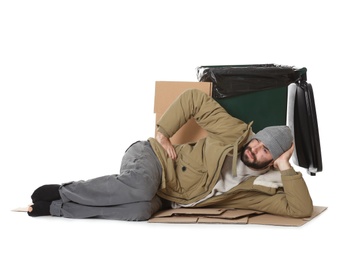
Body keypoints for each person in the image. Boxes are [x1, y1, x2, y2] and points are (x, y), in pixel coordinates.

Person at [27, 89, 313, 220]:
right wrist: (163, 132)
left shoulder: (261, 187)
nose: (254, 150)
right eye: (258, 142)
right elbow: (193, 99)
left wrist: (286, 167)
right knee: (140, 187)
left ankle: (56, 209)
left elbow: (300, 210)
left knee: (138, 210)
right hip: (154, 159)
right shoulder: (235, 133)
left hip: (168, 198)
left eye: (266, 151)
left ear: (272, 160)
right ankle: (64, 191)